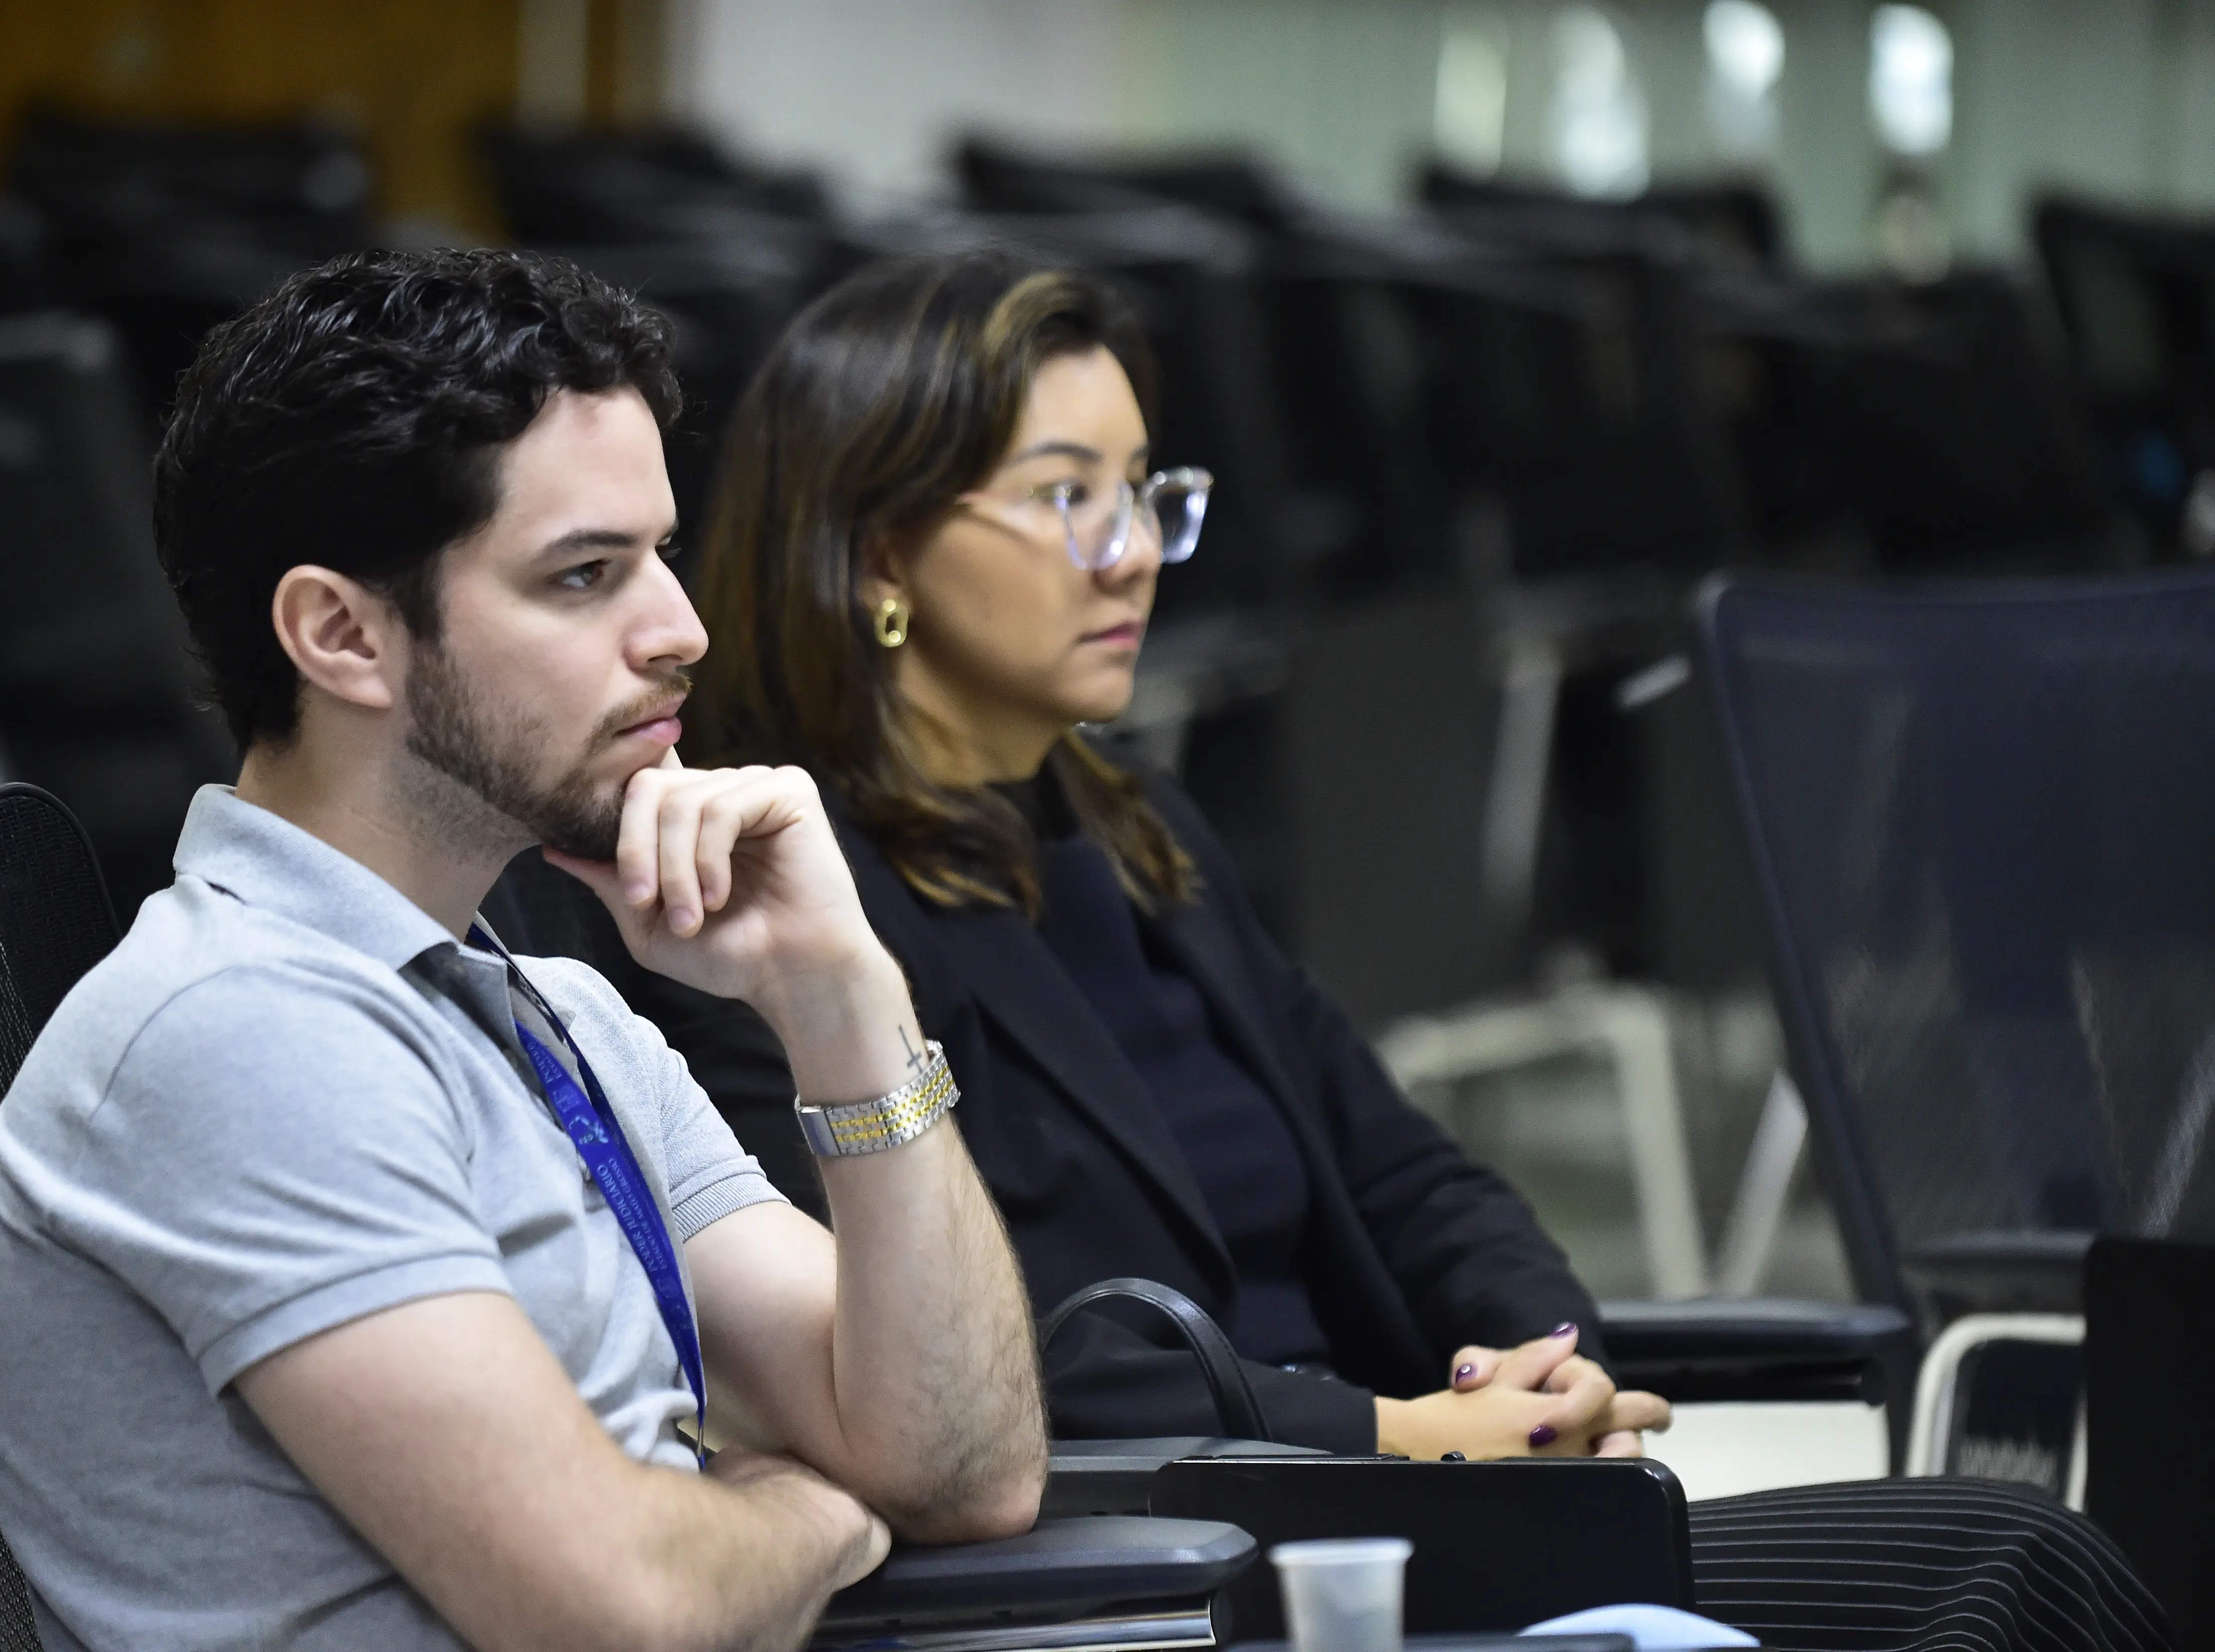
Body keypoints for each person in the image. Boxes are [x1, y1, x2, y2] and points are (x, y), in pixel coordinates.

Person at [490, 249, 2170, 1652]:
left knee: (2019, 1558)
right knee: (2008, 1567)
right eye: (1068, 498)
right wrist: (1406, 1435)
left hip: (1420, 1502)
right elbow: (992, 1358)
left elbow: (1406, 1171)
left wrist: (1537, 1361)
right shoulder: (774, 908)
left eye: (1145, 496)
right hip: (1203, 1559)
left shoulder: (1137, 834)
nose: (1132, 551)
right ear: (880, 557)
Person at [0, 247, 1048, 1652]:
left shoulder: (546, 1011)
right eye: (585, 575)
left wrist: (840, 993)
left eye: (660, 555)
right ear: (341, 635)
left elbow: (962, 1472)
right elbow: (625, 1614)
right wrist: (815, 1516)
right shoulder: (241, 1035)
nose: (683, 632)